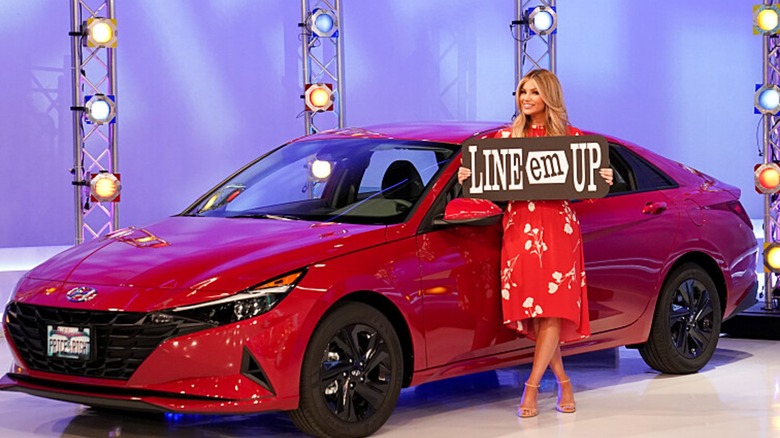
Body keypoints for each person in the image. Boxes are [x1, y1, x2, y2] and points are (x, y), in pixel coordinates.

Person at [458, 69, 613, 418]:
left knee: (553, 309)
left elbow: (588, 191)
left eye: (534, 92)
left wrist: (604, 178)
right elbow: (483, 180)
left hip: (559, 229)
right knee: (539, 313)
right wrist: (467, 176)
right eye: (522, 91)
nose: (526, 98)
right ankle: (563, 381)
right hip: (519, 230)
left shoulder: (572, 138)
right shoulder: (504, 138)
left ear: (549, 97)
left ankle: (531, 388)